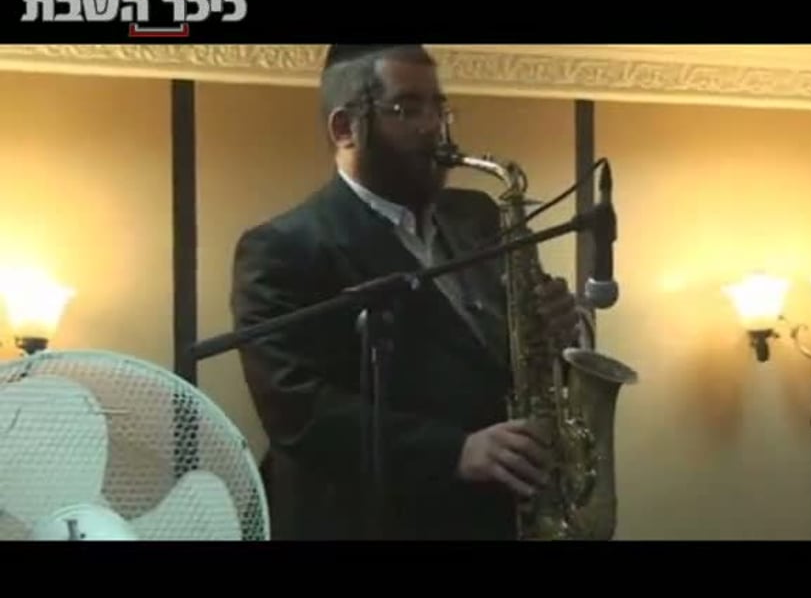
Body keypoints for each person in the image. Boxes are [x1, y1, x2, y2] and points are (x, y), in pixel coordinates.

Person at [230, 44, 583, 540]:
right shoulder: (282, 247)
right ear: (345, 128)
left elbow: (517, 358)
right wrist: (455, 451)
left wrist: (558, 334)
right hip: (373, 520)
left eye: (439, 107)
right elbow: (296, 408)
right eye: (407, 108)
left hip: (496, 512)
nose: (435, 127)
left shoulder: (479, 216)